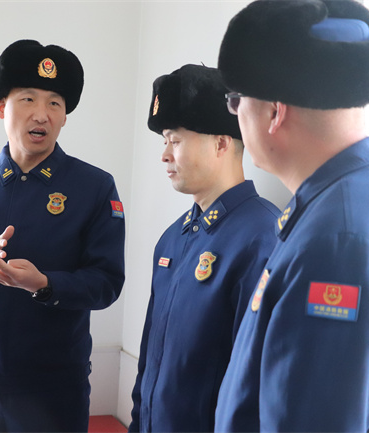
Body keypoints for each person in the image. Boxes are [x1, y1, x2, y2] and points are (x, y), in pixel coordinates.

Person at [214, 1, 369, 431]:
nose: (236, 115)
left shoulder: (341, 240)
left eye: (236, 101)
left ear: (274, 111)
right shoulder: (352, 203)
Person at [0, 39, 126, 433]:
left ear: (64, 117)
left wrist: (45, 284)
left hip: (53, 390)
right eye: (28, 99)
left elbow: (106, 283)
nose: (41, 114)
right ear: (2, 107)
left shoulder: (94, 188)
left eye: (54, 103)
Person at [128, 64, 280, 433]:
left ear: (221, 143)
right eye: (164, 141)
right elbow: (150, 356)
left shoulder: (263, 237)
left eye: (175, 141)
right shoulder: (173, 238)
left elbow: (257, 379)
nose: (165, 155)